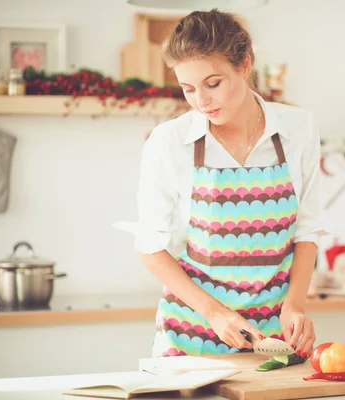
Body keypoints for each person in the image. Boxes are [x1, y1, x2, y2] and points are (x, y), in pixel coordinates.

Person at [135, 9, 324, 358]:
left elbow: (307, 230)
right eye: (188, 89)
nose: (201, 101)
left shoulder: (299, 129)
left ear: (245, 65)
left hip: (273, 337)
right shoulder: (168, 142)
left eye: (213, 83)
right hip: (191, 332)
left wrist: (295, 304)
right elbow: (150, 246)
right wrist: (214, 313)